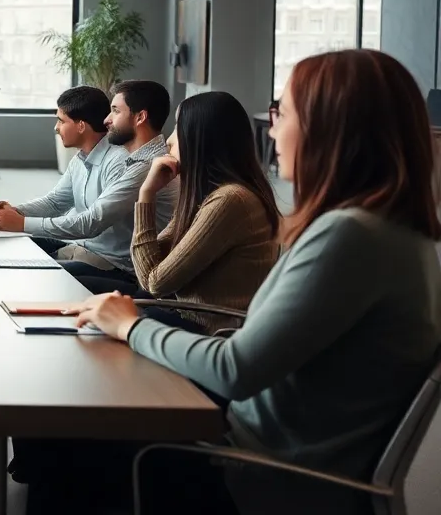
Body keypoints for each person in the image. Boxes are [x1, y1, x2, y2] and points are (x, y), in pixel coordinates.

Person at [45, 50, 441, 515]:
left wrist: (132, 326)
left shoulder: (349, 236)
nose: (271, 130)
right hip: (264, 434)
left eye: (282, 113)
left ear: (332, 130)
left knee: (69, 430)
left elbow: (235, 368)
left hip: (253, 460)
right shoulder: (390, 232)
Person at [116, 90, 281, 334]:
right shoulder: (212, 195)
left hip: (210, 330)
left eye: (177, 129)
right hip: (187, 317)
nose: (169, 141)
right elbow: (151, 266)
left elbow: (154, 283)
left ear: (201, 138)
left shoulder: (230, 200)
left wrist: (146, 195)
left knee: (104, 322)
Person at [0, 80, 177, 282]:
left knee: (31, 274)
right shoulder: (119, 158)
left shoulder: (142, 165)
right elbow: (56, 201)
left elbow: (90, 223)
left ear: (140, 117)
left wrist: (21, 222)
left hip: (115, 265)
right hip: (86, 250)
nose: (106, 120)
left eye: (115, 111)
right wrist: (12, 214)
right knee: (11, 253)